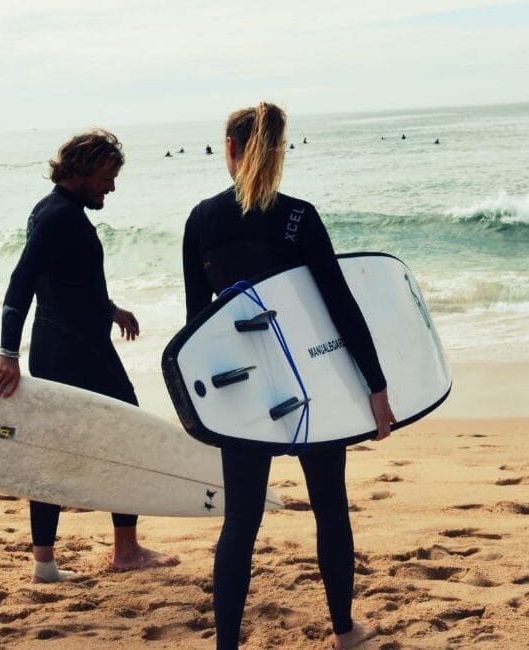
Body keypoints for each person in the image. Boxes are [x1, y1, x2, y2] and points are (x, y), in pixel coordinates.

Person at [182, 103, 395, 649]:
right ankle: (344, 632)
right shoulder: (299, 216)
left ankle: (226, 644)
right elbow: (340, 308)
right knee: (329, 506)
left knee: (241, 521)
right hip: (310, 387)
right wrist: (376, 387)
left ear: (229, 149)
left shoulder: (200, 221)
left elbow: (197, 330)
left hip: (243, 390)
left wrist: (205, 409)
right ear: (278, 151)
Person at [0, 129, 179, 583]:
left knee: (51, 451)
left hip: (65, 348)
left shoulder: (52, 210)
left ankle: (46, 564)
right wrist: (6, 353)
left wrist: (110, 309)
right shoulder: (60, 216)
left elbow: (67, 282)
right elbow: (22, 283)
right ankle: (126, 551)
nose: (111, 186)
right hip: (78, 354)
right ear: (82, 169)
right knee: (127, 435)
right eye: (107, 176)